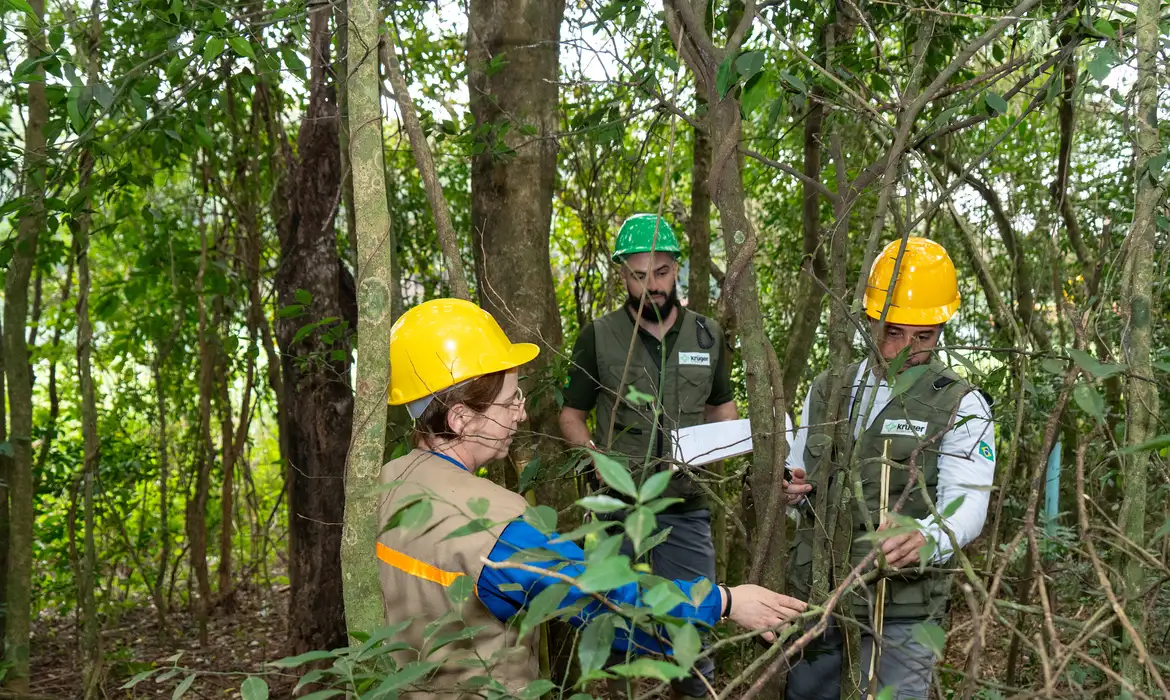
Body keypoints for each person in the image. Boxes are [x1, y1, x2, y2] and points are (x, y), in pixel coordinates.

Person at [377, 298, 807, 700]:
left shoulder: (384, 485)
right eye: (510, 402)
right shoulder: (495, 530)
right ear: (461, 418)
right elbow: (607, 604)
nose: (521, 414)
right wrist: (726, 601)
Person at [782, 237, 997, 700]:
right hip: (818, 597)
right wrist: (789, 490)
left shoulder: (963, 404)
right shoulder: (829, 388)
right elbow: (795, 471)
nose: (904, 350)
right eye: (892, 332)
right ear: (869, 322)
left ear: (941, 329)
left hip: (902, 608)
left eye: (923, 337)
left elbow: (970, 505)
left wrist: (927, 537)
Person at [558, 213, 738, 699]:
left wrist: (722, 445)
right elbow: (570, 414)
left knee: (694, 635)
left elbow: (722, 404)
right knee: (605, 623)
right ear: (622, 275)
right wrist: (592, 453)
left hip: (685, 505)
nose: (652, 285)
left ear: (676, 268)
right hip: (617, 507)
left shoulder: (708, 335)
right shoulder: (598, 336)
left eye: (661, 272)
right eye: (639, 275)